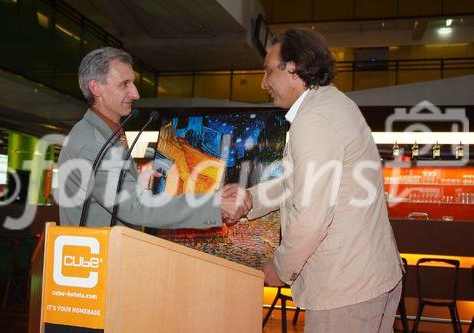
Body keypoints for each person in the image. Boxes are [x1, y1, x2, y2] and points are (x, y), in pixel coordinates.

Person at [247, 29, 403, 332]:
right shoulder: (334, 104)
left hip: (345, 290)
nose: (264, 83)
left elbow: (313, 217)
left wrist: (279, 268)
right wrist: (250, 200)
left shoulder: (314, 120)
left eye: (268, 71)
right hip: (366, 280)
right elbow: (299, 184)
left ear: (293, 68)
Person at [58, 47, 250, 228]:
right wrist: (213, 204)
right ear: (96, 88)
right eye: (125, 84)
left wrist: (137, 183)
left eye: (132, 83)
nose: (135, 93)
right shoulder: (93, 144)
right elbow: (135, 207)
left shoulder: (103, 134)